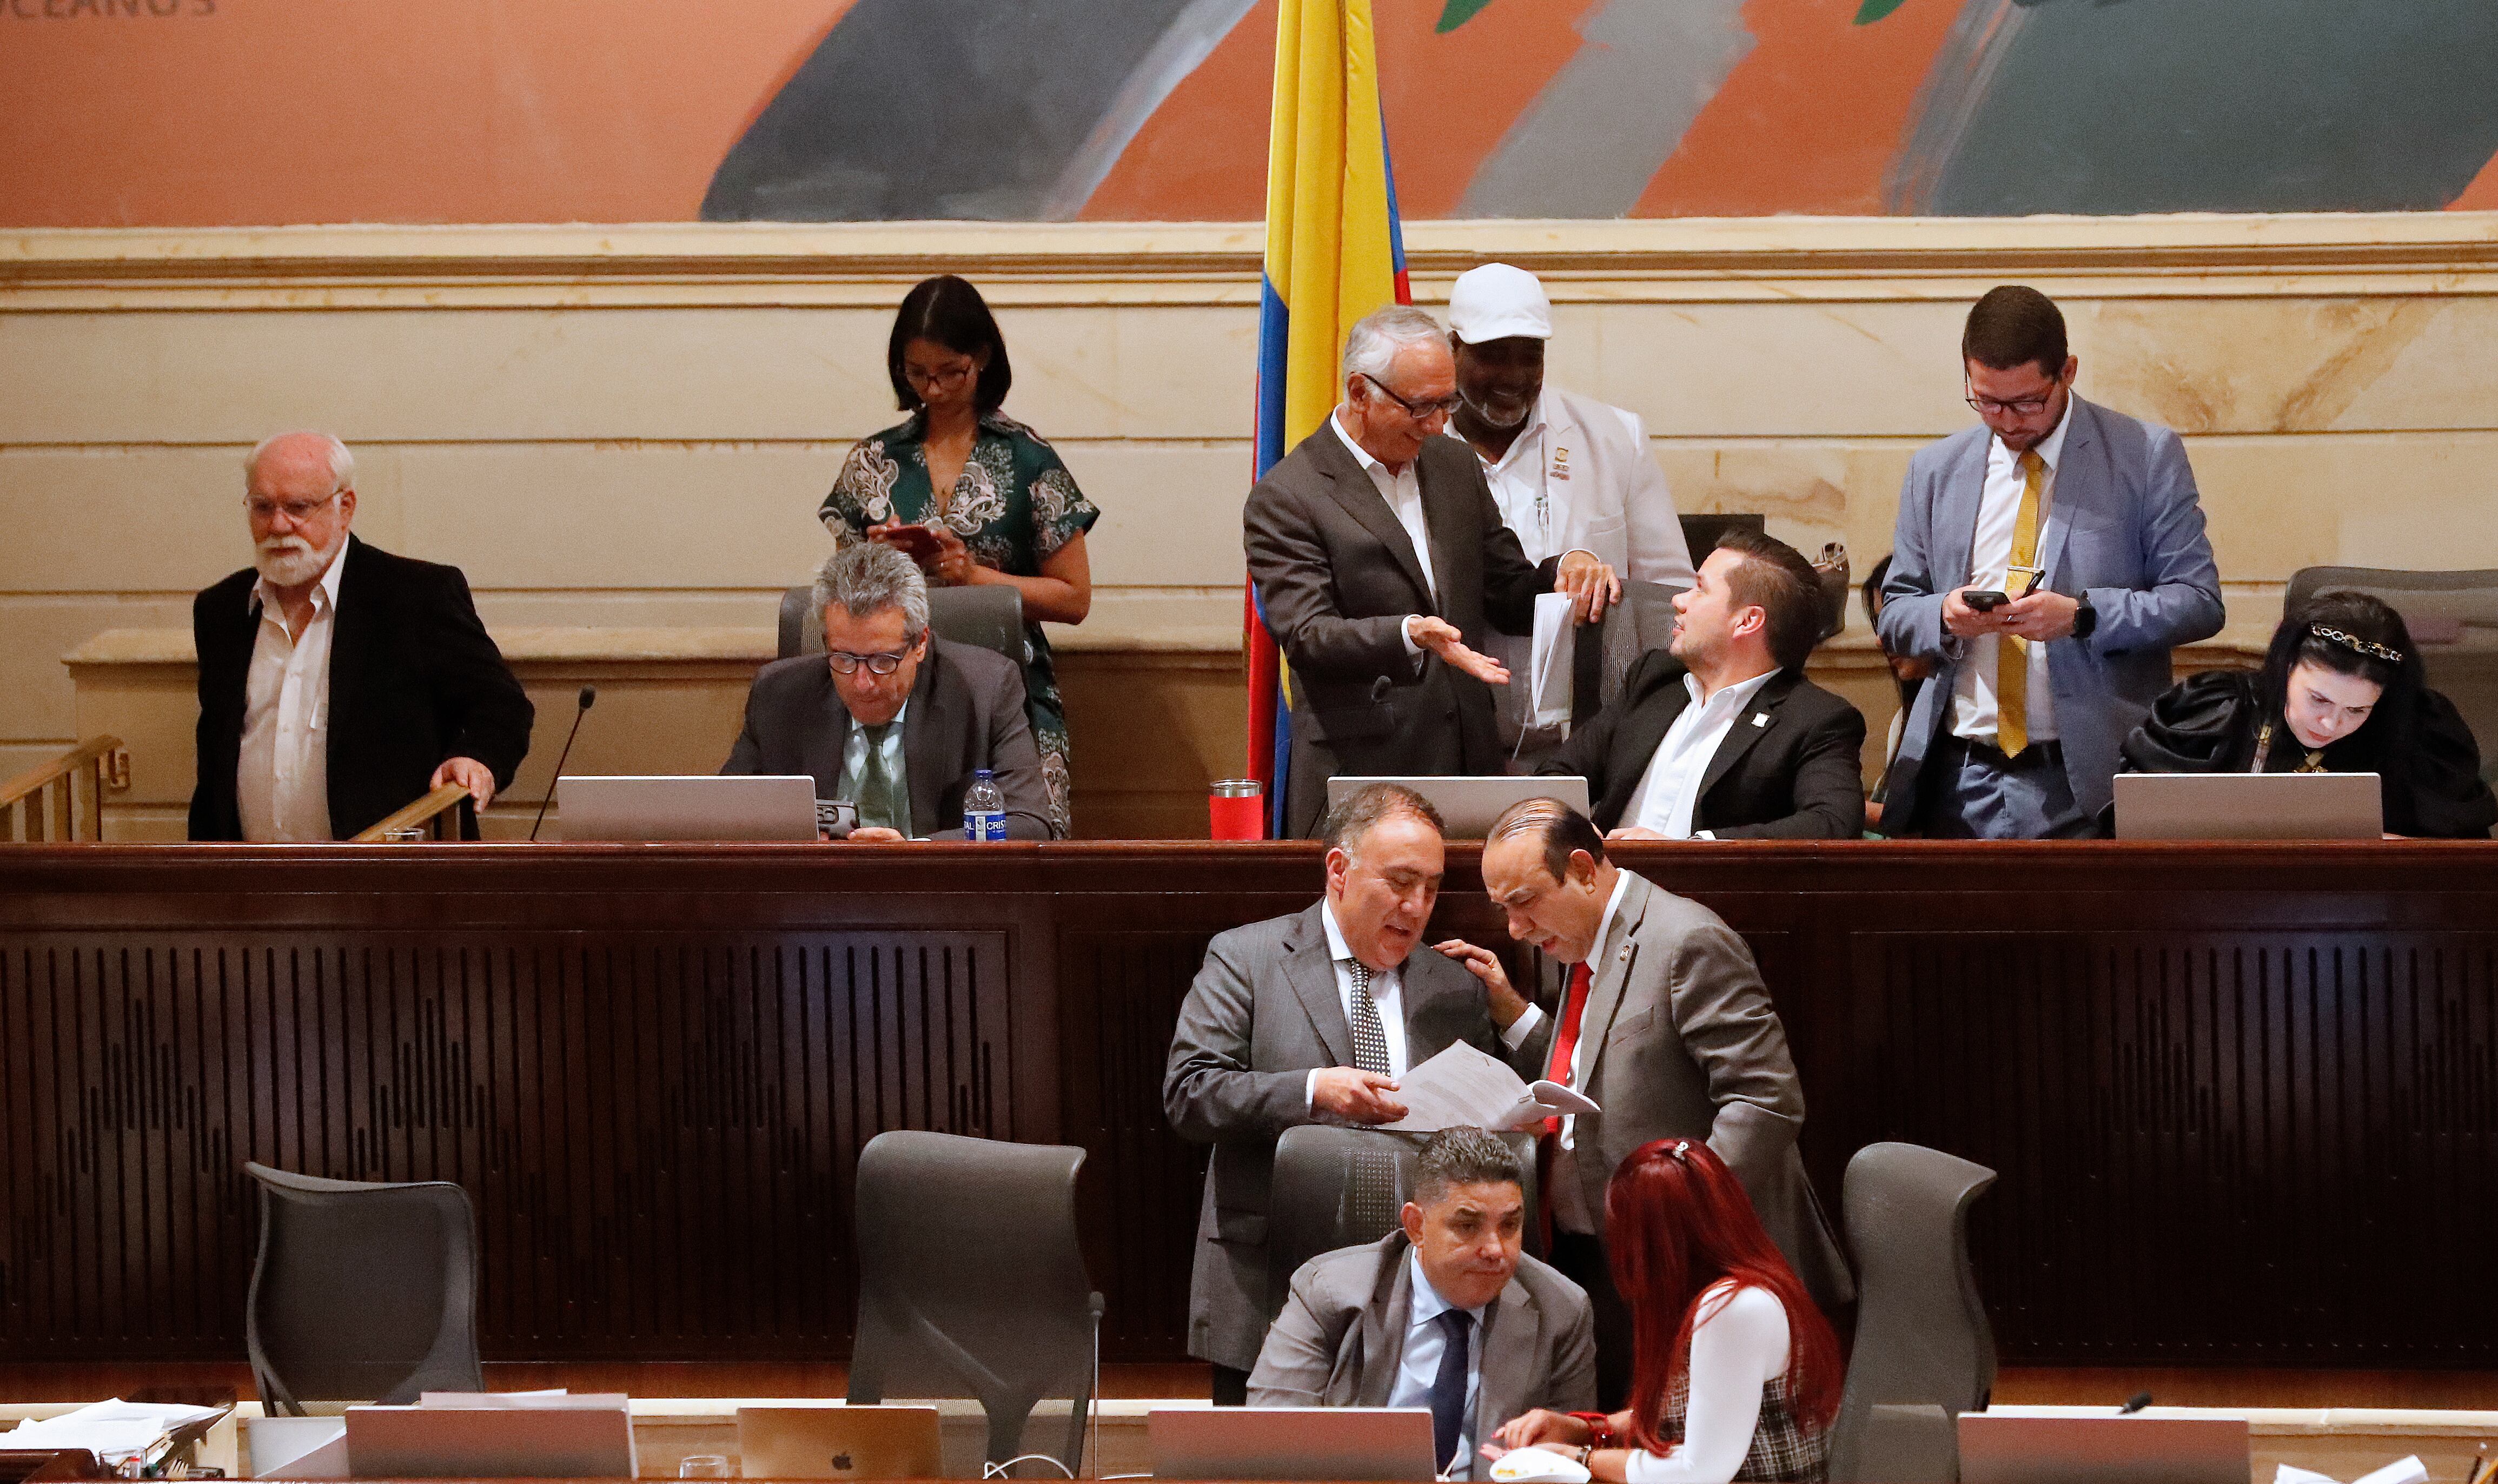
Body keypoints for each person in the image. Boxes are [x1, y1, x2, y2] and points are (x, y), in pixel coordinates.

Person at [1438, 798, 1851, 1408]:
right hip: (1608, 1261)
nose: (1515, 928)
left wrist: (1678, 1217)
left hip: (1699, 1265)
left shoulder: (1687, 940)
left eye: (1523, 901)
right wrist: (1514, 1014)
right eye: (1504, 909)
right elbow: (1599, 1060)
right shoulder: (1580, 941)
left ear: (1582, 868)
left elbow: (1765, 1100)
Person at [1165, 783, 1548, 1404]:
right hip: (1271, 1279)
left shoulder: (1452, 986)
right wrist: (1316, 1090)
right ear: (1339, 870)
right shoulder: (1247, 958)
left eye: (1431, 886)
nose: (1417, 905)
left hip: (1413, 1289)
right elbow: (1189, 1093)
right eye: (1400, 881)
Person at [1244, 304, 1620, 838]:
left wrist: (1564, 568)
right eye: (1420, 407)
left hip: (1468, 765)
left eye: (1447, 403)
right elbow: (1308, 635)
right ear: (1359, 392)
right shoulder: (1288, 496)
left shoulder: (1451, 464)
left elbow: (1506, 590)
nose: (1438, 424)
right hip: (1363, 776)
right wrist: (1408, 633)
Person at [1877, 285, 2223, 838]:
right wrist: (1943, 614)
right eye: (1986, 401)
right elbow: (1894, 610)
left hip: (2086, 777)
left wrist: (2083, 616)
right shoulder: (1935, 470)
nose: (2007, 421)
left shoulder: (2142, 455)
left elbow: (2198, 601)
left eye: (2026, 403)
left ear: (2067, 371)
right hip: (1958, 777)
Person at [819, 275, 1098, 838]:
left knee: (1019, 843)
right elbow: (842, 593)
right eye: (918, 374)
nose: (935, 389)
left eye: (951, 372)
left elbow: (1074, 598)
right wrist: (879, 560)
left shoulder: (1027, 458)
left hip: (1011, 695)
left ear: (983, 359)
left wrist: (975, 575)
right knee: (886, 846)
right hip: (892, 688)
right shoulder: (873, 460)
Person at [189, 432, 533, 842]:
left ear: (345, 507)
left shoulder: (416, 596)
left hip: (390, 883)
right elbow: (217, 759)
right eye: (263, 507)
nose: (279, 525)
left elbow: (501, 708)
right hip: (251, 883)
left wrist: (476, 758)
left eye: (299, 507)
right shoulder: (222, 609)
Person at [1446, 263, 1695, 762]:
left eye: (1530, 356)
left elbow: (1670, 596)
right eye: (1492, 357)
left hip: (1590, 743)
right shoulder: (1420, 446)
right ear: (1452, 348)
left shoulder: (1614, 437)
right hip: (1457, 742)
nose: (1513, 377)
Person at [1488, 1140, 1844, 1483]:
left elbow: (1700, 1471)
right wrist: (1586, 1430)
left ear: (1649, 1242)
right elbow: (1693, 1414)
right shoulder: (1731, 1296)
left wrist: (1576, 1459)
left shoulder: (1733, 1306)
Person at [1249, 1127, 1598, 1479]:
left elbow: (1567, 1461)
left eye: (1510, 1225)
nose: (1496, 1249)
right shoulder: (1329, 1291)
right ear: (1416, 1226)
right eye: (1468, 1225)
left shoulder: (1562, 1310)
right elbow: (1272, 1438)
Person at [1539, 531, 1864, 839]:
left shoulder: (1816, 720)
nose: (1678, 600)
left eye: (1700, 589)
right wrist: (1572, 829)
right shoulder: (1655, 679)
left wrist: (1691, 850)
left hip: (1702, 895)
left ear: (1747, 621)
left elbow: (1833, 822)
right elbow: (1558, 774)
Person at [723, 542, 1050, 840]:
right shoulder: (778, 696)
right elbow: (723, 819)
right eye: (844, 659)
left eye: (882, 661)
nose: (862, 683)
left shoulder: (987, 689)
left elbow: (1029, 824)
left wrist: (915, 851)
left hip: (936, 895)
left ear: (920, 643)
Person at [2117, 591, 2495, 838]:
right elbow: (2136, 829)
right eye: (2317, 700)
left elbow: (2461, 860)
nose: (2331, 725)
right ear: (2286, 668)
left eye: (2357, 709)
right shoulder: (2215, 711)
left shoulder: (2418, 733)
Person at [1859, 555, 1932, 834]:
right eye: (1881, 623)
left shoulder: (1965, 729)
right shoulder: (1904, 718)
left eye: (1898, 621)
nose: (1882, 639)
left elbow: (1920, 825)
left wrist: (1837, 805)